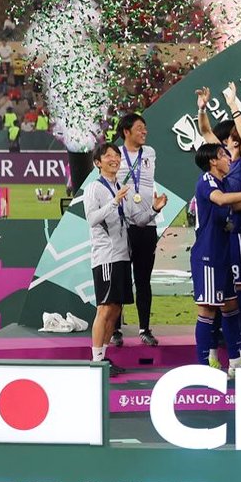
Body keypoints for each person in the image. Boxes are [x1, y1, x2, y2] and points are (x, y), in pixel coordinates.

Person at [190, 143, 241, 373]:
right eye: (223, 155)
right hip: (207, 255)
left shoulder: (224, 182)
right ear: (212, 161)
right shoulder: (207, 180)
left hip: (224, 254)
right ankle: (203, 366)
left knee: (231, 307)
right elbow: (221, 200)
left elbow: (237, 205)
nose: (228, 158)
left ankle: (235, 362)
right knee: (208, 310)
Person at [115, 112, 168, 348]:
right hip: (122, 225)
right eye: (139, 128)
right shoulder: (115, 155)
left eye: (144, 127)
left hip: (147, 223)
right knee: (120, 277)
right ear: (126, 132)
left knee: (143, 279)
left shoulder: (150, 153)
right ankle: (115, 329)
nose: (144, 131)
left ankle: (144, 329)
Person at [85, 143, 133, 376]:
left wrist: (154, 210)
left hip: (122, 255)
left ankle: (103, 358)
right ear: (98, 163)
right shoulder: (94, 188)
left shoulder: (119, 186)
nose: (114, 159)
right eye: (108, 156)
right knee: (104, 308)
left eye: (117, 155)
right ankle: (96, 361)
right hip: (106, 256)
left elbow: (127, 218)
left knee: (115, 309)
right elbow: (92, 219)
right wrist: (114, 202)